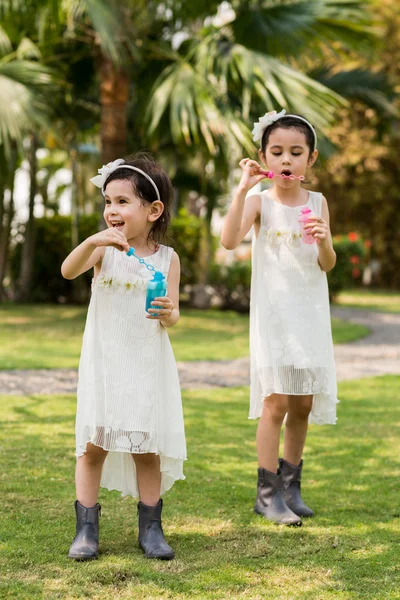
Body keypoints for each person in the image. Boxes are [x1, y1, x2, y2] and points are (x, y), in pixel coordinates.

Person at [61, 154, 186, 560]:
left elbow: (174, 317)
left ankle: (151, 529)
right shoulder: (104, 251)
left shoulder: (167, 259)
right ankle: (86, 530)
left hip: (145, 365)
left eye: (122, 202)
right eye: (108, 201)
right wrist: (93, 242)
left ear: (152, 211)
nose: (112, 210)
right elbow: (67, 270)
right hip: (105, 363)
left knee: (145, 448)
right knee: (93, 444)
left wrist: (169, 313)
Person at [221, 110, 338, 526]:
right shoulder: (259, 202)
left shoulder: (319, 203)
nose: (286, 160)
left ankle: (291, 486)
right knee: (276, 402)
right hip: (274, 314)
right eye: (277, 152)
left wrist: (325, 242)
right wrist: (241, 191)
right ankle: (267, 493)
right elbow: (230, 239)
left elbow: (327, 264)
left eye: (295, 152)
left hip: (309, 313)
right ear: (263, 157)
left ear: (311, 158)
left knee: (302, 403)